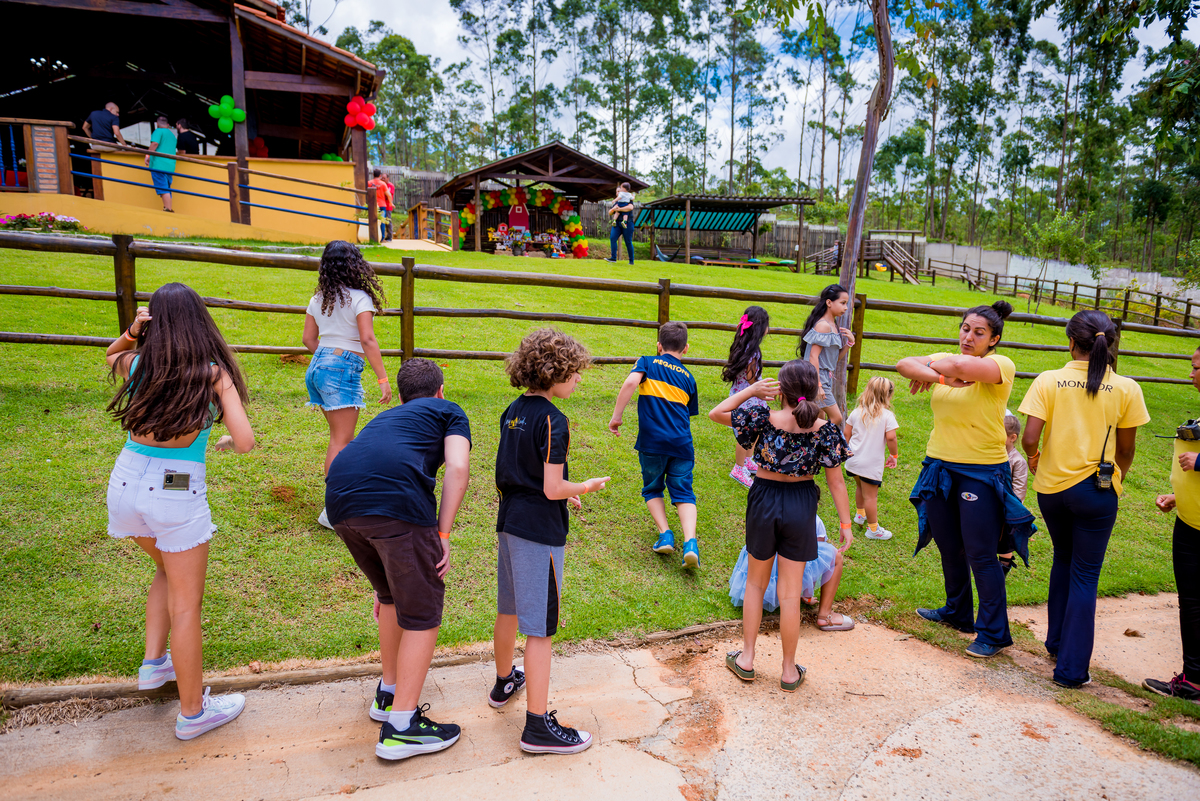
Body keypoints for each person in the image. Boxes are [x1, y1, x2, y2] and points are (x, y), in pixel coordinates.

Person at [103, 284, 255, 739]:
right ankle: (193, 713)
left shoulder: (139, 362)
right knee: (187, 607)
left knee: (168, 572)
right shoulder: (212, 374)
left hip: (125, 482)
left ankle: (154, 664)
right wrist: (224, 441)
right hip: (175, 491)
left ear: (157, 323)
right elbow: (245, 441)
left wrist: (131, 331)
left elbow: (111, 354)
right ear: (198, 320)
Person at [325, 358, 471, 759]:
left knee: (389, 598)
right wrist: (442, 534)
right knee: (423, 615)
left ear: (404, 395)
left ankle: (388, 695)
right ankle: (403, 727)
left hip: (340, 504)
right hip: (395, 507)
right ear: (440, 391)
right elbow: (458, 466)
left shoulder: (386, 418)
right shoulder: (449, 410)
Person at [492, 328, 610, 754]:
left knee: (509, 608)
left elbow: (517, 471)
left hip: (509, 521)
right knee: (540, 629)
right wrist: (585, 487)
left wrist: (562, 490)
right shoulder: (554, 420)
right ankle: (538, 728)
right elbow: (551, 488)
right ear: (553, 372)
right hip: (538, 531)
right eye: (574, 372)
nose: (579, 378)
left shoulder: (513, 410)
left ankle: (505, 680)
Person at [1018, 310, 1150, 687]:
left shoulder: (1049, 380)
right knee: (1085, 575)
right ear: (1109, 345)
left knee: (1064, 557)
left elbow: (1029, 438)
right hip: (1097, 491)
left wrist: (1034, 459)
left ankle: (1057, 642)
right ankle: (1072, 670)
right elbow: (1126, 450)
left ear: (1070, 341)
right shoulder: (1127, 388)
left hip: (1052, 490)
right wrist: (1116, 476)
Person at [897, 301, 1033, 659]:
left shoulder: (1000, 366)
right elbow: (903, 364)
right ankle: (957, 612)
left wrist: (934, 369)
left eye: (978, 332)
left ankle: (993, 633)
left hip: (982, 471)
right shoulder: (947, 360)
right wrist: (941, 378)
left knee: (981, 553)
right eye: (965, 329)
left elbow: (956, 364)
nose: (968, 337)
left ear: (994, 339)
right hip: (940, 466)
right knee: (948, 544)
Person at [709, 359, 854, 691]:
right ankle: (789, 671)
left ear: (781, 391)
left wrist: (752, 390)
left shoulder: (762, 418)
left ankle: (746, 659)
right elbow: (837, 483)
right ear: (813, 389)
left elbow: (716, 413)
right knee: (790, 595)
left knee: (756, 586)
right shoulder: (826, 429)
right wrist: (845, 523)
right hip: (801, 504)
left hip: (764, 499)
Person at [302, 241, 392, 529]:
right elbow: (367, 339)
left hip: (318, 366)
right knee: (341, 441)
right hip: (340, 368)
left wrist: (327, 356)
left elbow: (308, 339)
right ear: (355, 265)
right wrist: (383, 379)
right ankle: (333, 510)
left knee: (338, 438)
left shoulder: (318, 299)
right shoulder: (359, 298)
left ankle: (344, 498)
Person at [608, 322, 701, 568]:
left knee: (652, 488)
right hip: (682, 445)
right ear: (686, 348)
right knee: (684, 493)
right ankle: (691, 543)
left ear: (659, 346)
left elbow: (630, 383)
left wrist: (617, 417)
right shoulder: (689, 378)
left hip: (652, 443)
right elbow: (688, 412)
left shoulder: (647, 361)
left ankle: (665, 535)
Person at [1146, 346, 1200, 704]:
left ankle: (1194, 680)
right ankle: (1193, 677)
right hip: (1189, 521)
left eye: (1197, 367)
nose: (1191, 372)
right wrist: (1178, 497)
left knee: (1195, 602)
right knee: (1192, 601)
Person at [729, 515, 853, 632]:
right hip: (787, 582)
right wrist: (807, 596)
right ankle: (825, 615)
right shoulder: (812, 519)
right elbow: (812, 560)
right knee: (834, 556)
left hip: (755, 583)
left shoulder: (763, 507)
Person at [843, 377, 900, 541]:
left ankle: (860, 515)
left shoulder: (856, 412)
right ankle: (873, 529)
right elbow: (891, 438)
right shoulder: (887, 416)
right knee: (871, 497)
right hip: (869, 465)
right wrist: (893, 455)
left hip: (853, 461)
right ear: (887, 396)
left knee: (860, 487)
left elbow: (846, 434)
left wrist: (845, 451)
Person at [721, 305, 771, 488]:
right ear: (760, 327)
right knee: (746, 433)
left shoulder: (743, 343)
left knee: (754, 430)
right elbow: (751, 379)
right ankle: (738, 468)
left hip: (742, 394)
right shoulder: (752, 351)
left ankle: (748, 461)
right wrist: (763, 389)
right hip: (748, 397)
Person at [800, 284, 856, 429]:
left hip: (825, 377)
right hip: (818, 378)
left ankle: (813, 446)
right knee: (836, 417)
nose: (845, 307)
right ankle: (817, 443)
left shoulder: (833, 325)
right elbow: (813, 357)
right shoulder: (823, 325)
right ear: (829, 302)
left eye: (847, 304)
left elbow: (834, 359)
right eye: (842, 303)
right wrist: (818, 385)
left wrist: (850, 343)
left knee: (818, 417)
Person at [996, 412, 1029, 574]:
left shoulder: (1018, 461)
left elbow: (1019, 491)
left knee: (1005, 544)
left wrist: (1008, 509)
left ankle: (1003, 569)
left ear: (1012, 437)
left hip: (1007, 513)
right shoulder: (991, 456)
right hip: (990, 510)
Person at [145, 115, 177, 212]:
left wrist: (147, 155)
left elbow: (154, 144)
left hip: (159, 164)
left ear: (157, 124)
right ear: (167, 124)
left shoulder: (158, 131)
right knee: (167, 188)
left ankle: (168, 209)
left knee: (162, 188)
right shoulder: (172, 135)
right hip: (170, 166)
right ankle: (169, 208)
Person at [605, 183, 635, 265]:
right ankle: (613, 258)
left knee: (628, 242)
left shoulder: (629, 199)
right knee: (612, 238)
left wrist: (619, 209)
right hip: (617, 224)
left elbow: (630, 207)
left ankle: (631, 261)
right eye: (616, 192)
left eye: (619, 191)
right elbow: (610, 212)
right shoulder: (617, 202)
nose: (617, 193)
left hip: (627, 224)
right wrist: (613, 210)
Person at [367, 169, 392, 242]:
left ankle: (372, 237)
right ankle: (382, 238)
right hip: (382, 205)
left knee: (372, 220)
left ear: (373, 175)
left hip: (372, 205)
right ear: (380, 176)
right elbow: (389, 195)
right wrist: (391, 203)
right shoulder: (383, 184)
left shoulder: (369, 183)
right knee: (382, 221)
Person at [382, 174, 397, 241]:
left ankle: (389, 236)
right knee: (382, 221)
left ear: (388, 178)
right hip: (382, 205)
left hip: (388, 206)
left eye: (384, 178)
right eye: (382, 178)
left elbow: (388, 194)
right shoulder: (382, 185)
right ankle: (383, 236)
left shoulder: (390, 185)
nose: (383, 179)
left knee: (388, 221)